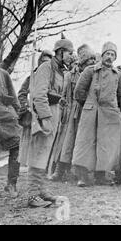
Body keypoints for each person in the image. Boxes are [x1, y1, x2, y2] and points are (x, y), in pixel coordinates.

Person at [24, 38, 74, 208]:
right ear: (60, 52)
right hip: (44, 115)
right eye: (69, 53)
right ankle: (32, 195)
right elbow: (39, 95)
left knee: (47, 155)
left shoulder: (60, 71)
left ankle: (42, 190)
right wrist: (45, 119)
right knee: (38, 155)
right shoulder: (46, 67)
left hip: (55, 113)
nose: (71, 56)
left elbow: (54, 93)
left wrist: (60, 102)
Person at [72, 42, 121, 187]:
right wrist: (90, 105)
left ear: (115, 57)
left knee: (106, 145)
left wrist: (118, 113)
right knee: (85, 143)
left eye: (112, 54)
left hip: (109, 114)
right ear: (102, 55)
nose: (109, 57)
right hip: (91, 112)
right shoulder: (90, 71)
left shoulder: (118, 74)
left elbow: (120, 96)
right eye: (107, 53)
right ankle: (83, 177)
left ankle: (101, 176)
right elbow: (78, 92)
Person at [49, 44, 96, 182]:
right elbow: (64, 96)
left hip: (87, 112)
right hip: (71, 113)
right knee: (66, 142)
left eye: (93, 60)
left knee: (83, 143)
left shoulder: (94, 75)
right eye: (89, 60)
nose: (92, 63)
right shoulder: (69, 75)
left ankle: (82, 174)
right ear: (82, 62)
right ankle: (59, 171)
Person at [0, 42, 22, 200]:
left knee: (17, 146)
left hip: (5, 115)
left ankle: (11, 184)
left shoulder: (3, 74)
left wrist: (18, 111)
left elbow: (13, 96)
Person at [18, 50, 53, 169]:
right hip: (32, 113)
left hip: (47, 113)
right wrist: (26, 106)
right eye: (43, 61)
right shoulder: (31, 77)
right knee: (29, 139)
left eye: (48, 62)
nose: (45, 64)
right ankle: (27, 163)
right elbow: (22, 93)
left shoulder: (52, 78)